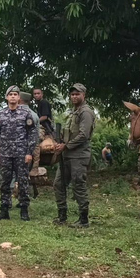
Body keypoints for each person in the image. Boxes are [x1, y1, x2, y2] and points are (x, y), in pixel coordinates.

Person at [0, 86, 38, 221]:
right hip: (5, 154)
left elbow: (32, 134)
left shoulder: (25, 114)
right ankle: (4, 209)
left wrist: (29, 152)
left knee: (22, 182)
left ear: (18, 98)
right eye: (10, 94)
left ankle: (24, 210)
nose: (12, 97)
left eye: (15, 94)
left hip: (21, 154)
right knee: (5, 182)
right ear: (6, 97)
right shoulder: (0, 114)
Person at [54, 83, 96, 227]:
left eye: (77, 94)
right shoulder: (73, 112)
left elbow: (84, 135)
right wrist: (60, 141)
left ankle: (83, 219)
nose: (74, 96)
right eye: (72, 94)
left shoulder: (86, 112)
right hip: (66, 155)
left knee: (78, 185)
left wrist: (66, 145)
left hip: (79, 155)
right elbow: (69, 132)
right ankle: (62, 215)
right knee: (59, 184)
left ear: (84, 95)